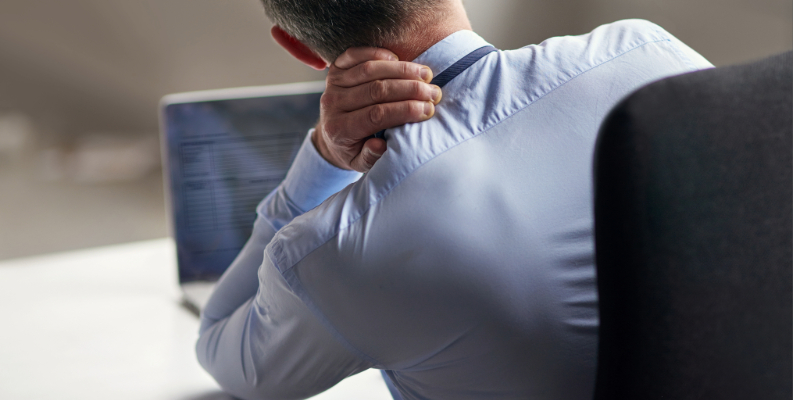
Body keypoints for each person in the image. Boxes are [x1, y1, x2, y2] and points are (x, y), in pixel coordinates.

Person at [196, 1, 713, 399]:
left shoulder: (338, 251)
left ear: (301, 49)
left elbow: (219, 342)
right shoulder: (651, 54)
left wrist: (325, 159)